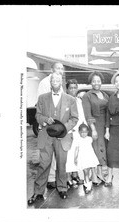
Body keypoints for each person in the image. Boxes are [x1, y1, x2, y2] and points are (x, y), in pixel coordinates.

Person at [28, 73, 79, 205]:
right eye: (53, 80)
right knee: (44, 164)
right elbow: (38, 115)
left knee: (61, 163)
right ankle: (38, 192)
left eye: (57, 79)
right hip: (46, 136)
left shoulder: (70, 99)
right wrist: (45, 120)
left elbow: (74, 119)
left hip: (63, 136)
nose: (55, 81)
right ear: (50, 82)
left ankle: (62, 188)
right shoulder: (42, 98)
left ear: (61, 82)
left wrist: (63, 127)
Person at [36, 62, 65, 190]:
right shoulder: (45, 83)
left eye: (62, 69)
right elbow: (41, 104)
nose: (60, 70)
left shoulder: (60, 84)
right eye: (57, 68)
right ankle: (41, 188)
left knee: (58, 158)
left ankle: (53, 180)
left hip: (58, 127)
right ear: (51, 69)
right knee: (45, 160)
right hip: (48, 126)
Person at [82, 71, 109, 185]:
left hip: (104, 125)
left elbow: (108, 112)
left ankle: (99, 173)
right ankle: (93, 176)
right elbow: (88, 114)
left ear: (101, 82)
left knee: (103, 150)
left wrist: (107, 128)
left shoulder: (105, 95)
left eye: (98, 81)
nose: (96, 83)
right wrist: (93, 129)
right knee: (95, 149)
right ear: (91, 82)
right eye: (94, 81)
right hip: (94, 125)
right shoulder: (87, 96)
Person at [65, 79, 86, 187]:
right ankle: (68, 178)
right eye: (71, 88)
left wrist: (83, 129)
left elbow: (82, 116)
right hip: (69, 132)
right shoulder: (64, 100)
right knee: (69, 156)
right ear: (67, 89)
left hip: (78, 132)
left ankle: (75, 175)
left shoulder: (79, 101)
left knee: (76, 155)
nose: (73, 90)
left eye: (75, 87)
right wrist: (69, 129)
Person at [74, 123, 100, 194]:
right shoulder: (78, 140)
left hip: (89, 157)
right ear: (79, 132)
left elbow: (93, 146)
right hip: (83, 158)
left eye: (85, 132)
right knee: (85, 172)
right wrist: (75, 158)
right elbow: (76, 149)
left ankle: (89, 183)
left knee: (90, 171)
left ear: (88, 132)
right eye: (82, 132)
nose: (83, 134)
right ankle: (87, 185)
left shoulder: (89, 139)